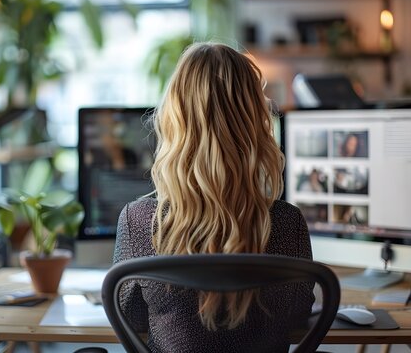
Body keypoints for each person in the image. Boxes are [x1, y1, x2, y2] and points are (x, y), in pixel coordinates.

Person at [113, 42, 314, 352]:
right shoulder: (288, 223)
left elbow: (130, 317)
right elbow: (298, 315)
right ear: (254, 122)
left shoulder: (138, 221)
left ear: (175, 118)